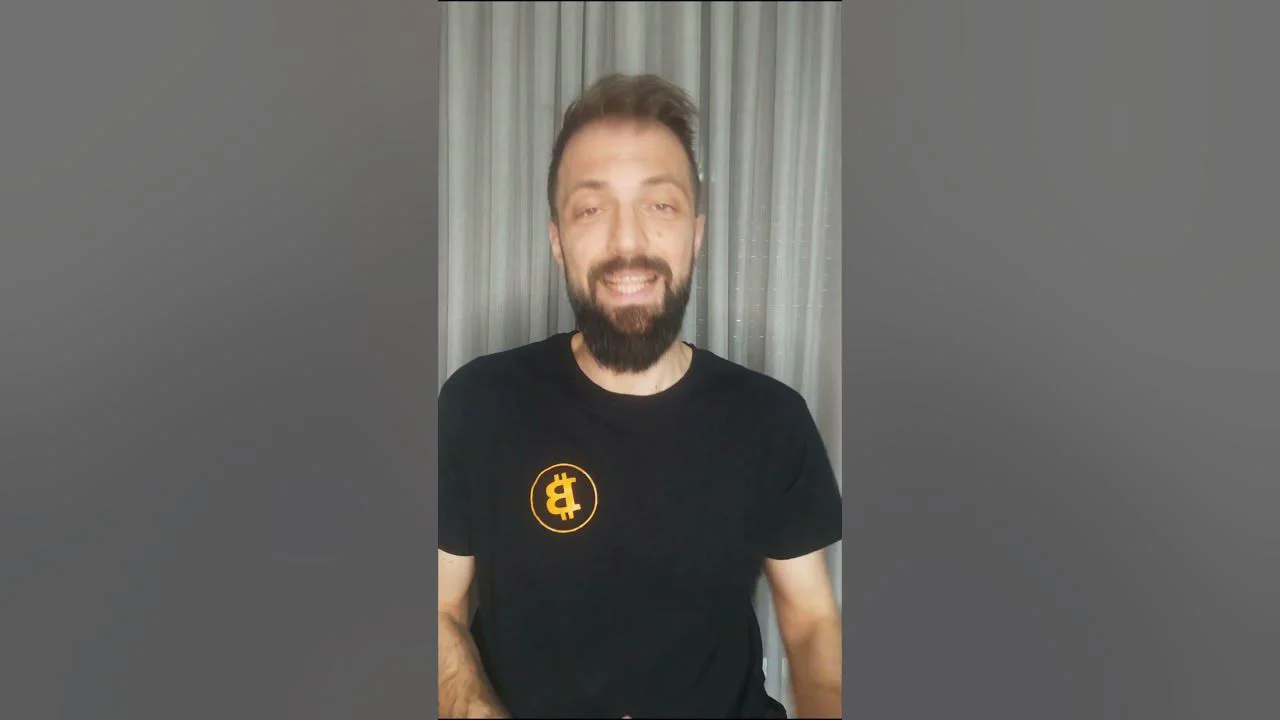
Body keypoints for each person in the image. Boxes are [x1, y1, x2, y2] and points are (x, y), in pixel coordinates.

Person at [438, 73, 843, 719]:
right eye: (591, 210)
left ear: (696, 234)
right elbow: (438, 606)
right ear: (557, 240)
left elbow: (813, 624)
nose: (627, 244)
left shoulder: (772, 420)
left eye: (660, 206)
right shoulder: (478, 404)